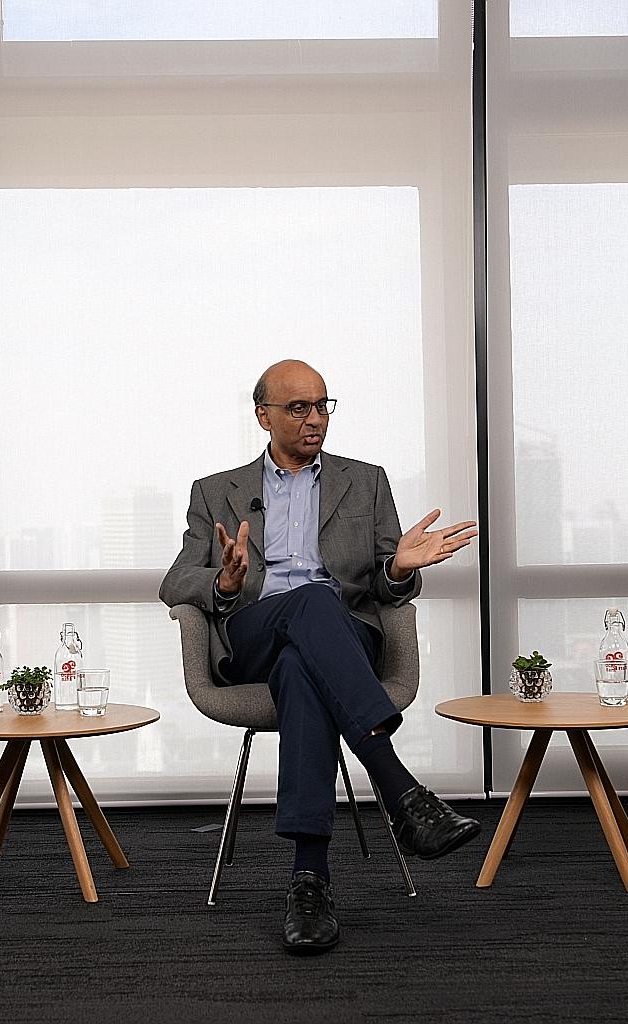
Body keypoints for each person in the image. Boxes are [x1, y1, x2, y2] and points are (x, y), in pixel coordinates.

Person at [160, 359, 481, 955]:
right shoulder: (215, 492)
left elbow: (385, 588)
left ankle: (309, 883)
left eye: (323, 405)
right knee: (306, 606)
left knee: (303, 664)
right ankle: (400, 790)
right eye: (299, 408)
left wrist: (398, 569)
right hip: (253, 633)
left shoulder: (366, 481)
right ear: (264, 416)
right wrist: (225, 584)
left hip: (341, 637)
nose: (315, 419)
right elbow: (175, 582)